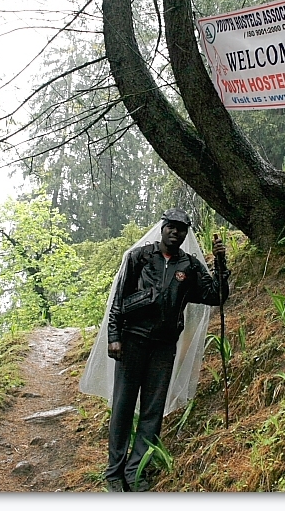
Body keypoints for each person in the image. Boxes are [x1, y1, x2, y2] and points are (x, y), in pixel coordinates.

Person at [104, 208, 230, 492]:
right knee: (123, 406)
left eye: (181, 229)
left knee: (152, 410)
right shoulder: (138, 257)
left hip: (163, 346)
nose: (176, 232)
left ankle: (137, 471)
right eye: (171, 227)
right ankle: (114, 472)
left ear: (186, 234)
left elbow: (216, 296)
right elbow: (119, 299)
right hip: (132, 340)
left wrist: (221, 263)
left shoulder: (190, 266)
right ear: (162, 228)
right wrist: (114, 336)